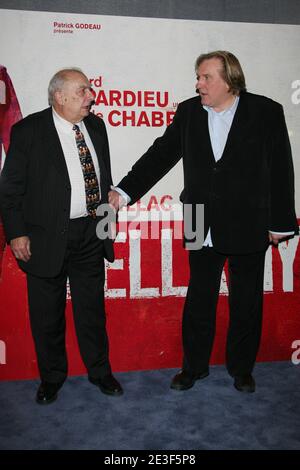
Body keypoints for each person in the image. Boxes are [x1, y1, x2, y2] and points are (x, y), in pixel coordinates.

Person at [109, 51, 298, 393]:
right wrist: (123, 191)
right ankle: (192, 368)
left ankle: (241, 369)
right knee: (198, 298)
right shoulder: (188, 112)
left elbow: (281, 169)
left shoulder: (266, 111)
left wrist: (280, 222)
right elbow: (160, 155)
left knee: (246, 300)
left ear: (229, 79)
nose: (198, 84)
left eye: (205, 77)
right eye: (198, 77)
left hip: (249, 220)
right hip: (197, 217)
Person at [0, 68, 123, 404]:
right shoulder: (28, 131)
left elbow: (101, 176)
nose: (91, 97)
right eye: (83, 91)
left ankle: (100, 372)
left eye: (90, 91)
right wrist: (16, 233)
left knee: (92, 311)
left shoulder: (96, 127)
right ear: (59, 96)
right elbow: (10, 190)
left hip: (90, 233)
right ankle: (52, 378)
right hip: (43, 237)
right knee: (47, 313)